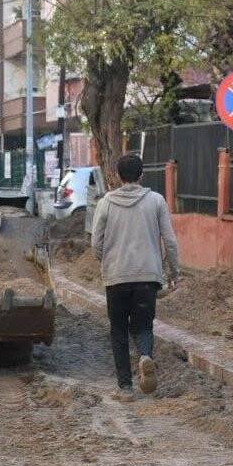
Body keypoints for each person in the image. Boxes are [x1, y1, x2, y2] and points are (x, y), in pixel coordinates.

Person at [91, 154, 181, 401]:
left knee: (118, 330)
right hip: (147, 276)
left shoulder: (106, 203)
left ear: (117, 176)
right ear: (142, 175)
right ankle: (145, 356)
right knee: (143, 325)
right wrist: (174, 272)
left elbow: (96, 242)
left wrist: (107, 261)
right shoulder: (156, 201)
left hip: (116, 276)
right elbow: (170, 241)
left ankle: (125, 387)